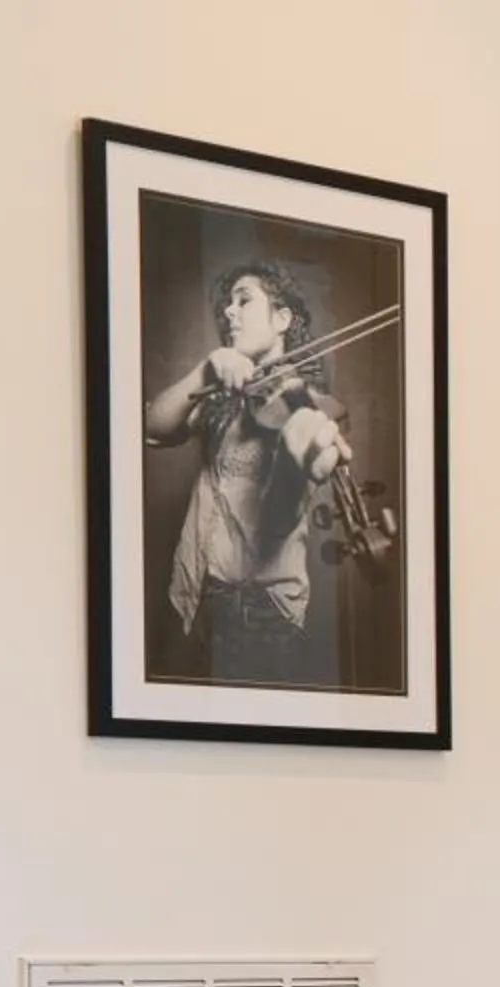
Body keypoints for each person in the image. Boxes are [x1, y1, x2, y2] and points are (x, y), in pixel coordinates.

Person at [142, 261, 355, 686]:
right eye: (226, 305)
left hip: (260, 614)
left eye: (244, 301)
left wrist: (304, 462)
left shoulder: (305, 404)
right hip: (193, 593)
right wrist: (206, 369)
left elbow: (280, 507)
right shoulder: (224, 396)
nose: (229, 313)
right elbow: (152, 427)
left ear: (282, 319)